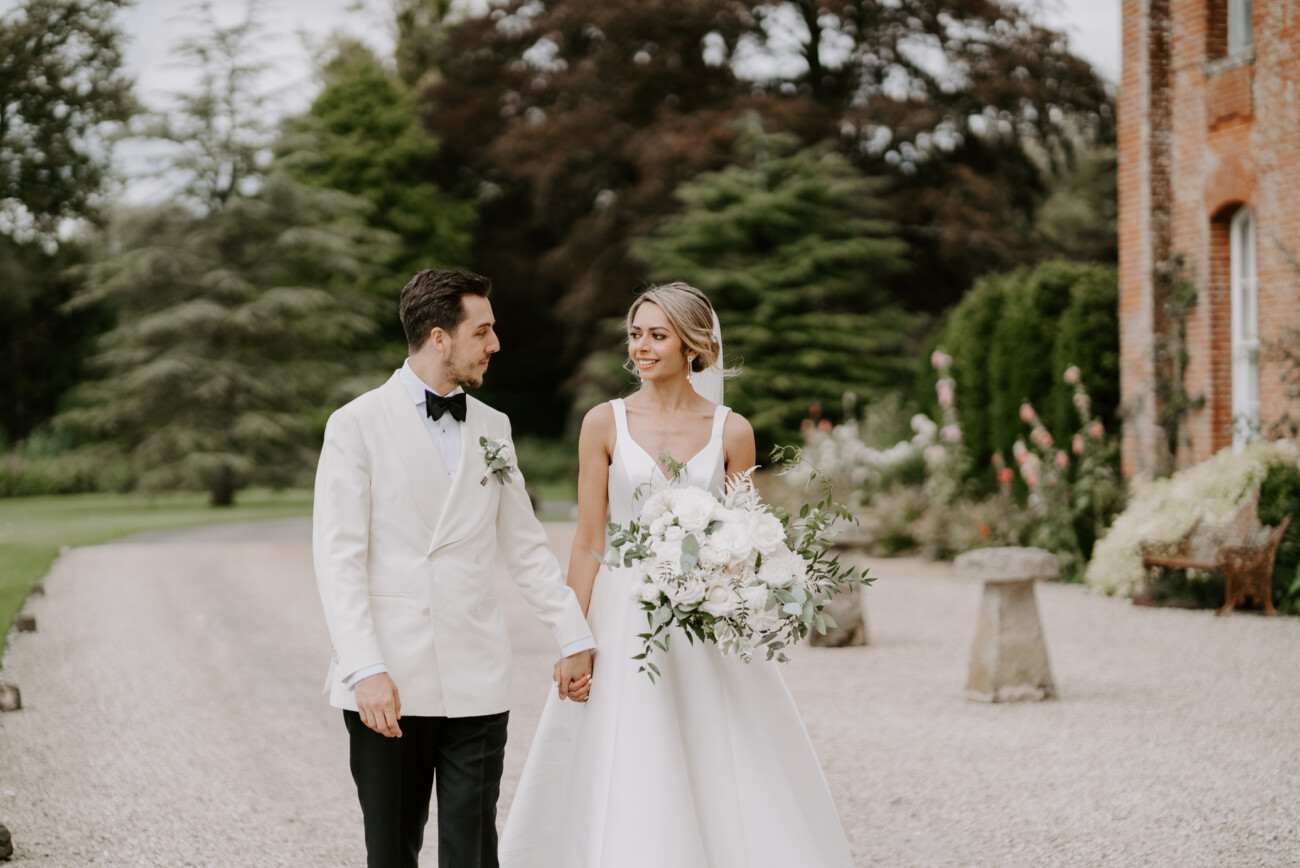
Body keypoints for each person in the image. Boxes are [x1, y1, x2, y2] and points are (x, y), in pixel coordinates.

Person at [499, 282, 856, 867]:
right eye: (635, 334)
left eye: (657, 336)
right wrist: (573, 636)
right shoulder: (603, 423)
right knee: (627, 751)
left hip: (704, 621)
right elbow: (590, 538)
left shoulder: (732, 432)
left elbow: (744, 538)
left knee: (717, 751)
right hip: (622, 619)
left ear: (693, 345)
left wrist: (740, 586)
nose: (641, 347)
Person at [312, 269, 596, 868]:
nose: (495, 345)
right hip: (388, 682)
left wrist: (573, 634)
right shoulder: (355, 424)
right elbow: (338, 560)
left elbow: (524, 546)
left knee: (472, 852)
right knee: (391, 851)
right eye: (483, 331)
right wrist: (365, 669)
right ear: (440, 337)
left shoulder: (495, 428)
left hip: (476, 677)